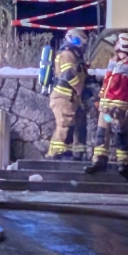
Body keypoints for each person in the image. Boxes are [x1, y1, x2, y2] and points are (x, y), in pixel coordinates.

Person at [87, 35, 128, 173]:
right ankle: (99, 160)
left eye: (118, 43)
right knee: (102, 132)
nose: (115, 44)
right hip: (106, 108)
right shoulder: (113, 61)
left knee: (120, 133)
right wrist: (99, 99)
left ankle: (123, 163)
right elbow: (106, 82)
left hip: (119, 108)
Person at [46, 29, 90, 161]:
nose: (83, 47)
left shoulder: (73, 55)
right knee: (64, 125)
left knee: (69, 125)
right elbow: (68, 74)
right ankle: (57, 154)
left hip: (68, 97)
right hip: (64, 96)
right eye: (83, 44)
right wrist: (79, 88)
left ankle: (65, 153)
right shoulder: (67, 54)